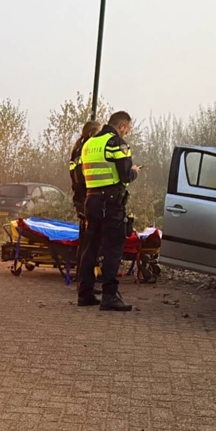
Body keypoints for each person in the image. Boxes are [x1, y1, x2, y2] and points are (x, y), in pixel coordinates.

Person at [77, 111, 139, 311]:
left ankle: (85, 293)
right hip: (111, 202)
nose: (127, 132)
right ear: (122, 125)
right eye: (128, 128)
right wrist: (134, 172)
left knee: (90, 247)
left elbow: (80, 176)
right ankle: (109, 296)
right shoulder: (116, 144)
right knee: (113, 247)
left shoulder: (88, 144)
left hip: (91, 199)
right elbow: (125, 176)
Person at [69, 120, 101, 282]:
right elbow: (82, 177)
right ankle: (85, 278)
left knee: (85, 240)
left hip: (81, 198)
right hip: (86, 198)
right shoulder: (85, 151)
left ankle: (83, 276)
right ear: (92, 134)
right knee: (89, 242)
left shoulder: (77, 150)